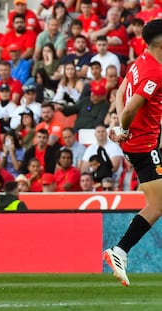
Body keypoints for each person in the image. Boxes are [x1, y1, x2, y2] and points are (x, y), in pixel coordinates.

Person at [103, 19, 162, 287]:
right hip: (144, 146)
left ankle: (120, 250)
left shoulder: (142, 60)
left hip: (138, 142)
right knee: (158, 204)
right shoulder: (154, 73)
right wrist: (124, 126)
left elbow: (120, 91)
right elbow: (129, 109)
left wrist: (119, 126)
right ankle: (120, 251)